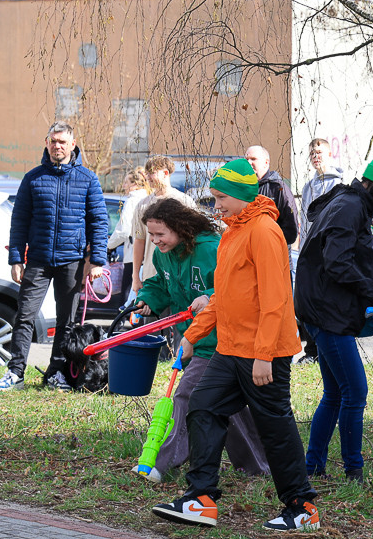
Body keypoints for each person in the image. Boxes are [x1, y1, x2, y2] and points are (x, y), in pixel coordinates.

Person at [152, 159, 319, 532]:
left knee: (275, 428)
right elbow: (223, 297)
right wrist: (192, 337)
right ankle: (200, 499)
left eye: (221, 198)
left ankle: (302, 507)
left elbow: (276, 300)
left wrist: (264, 356)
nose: (216, 206)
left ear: (243, 195)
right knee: (202, 407)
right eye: (214, 198)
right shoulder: (233, 232)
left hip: (263, 352)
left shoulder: (264, 231)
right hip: (230, 349)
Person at [132, 198, 269, 481]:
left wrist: (209, 296)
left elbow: (236, 283)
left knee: (187, 395)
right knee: (224, 404)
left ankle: (162, 463)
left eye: (160, 234)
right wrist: (148, 298)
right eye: (151, 235)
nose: (155, 241)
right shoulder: (163, 255)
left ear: (180, 227)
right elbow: (162, 284)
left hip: (220, 339)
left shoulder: (211, 249)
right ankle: (258, 466)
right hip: (192, 338)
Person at [294, 142, 373, 482]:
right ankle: (353, 471)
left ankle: (314, 466)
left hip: (322, 308)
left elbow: (342, 261)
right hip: (326, 314)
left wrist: (369, 299)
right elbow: (337, 262)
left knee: (335, 393)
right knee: (355, 392)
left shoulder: (350, 202)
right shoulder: (350, 207)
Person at [0, 122, 109, 391]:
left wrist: (97, 260)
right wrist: (16, 259)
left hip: (72, 261)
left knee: (67, 322)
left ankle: (57, 374)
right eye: (53, 141)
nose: (57, 146)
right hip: (38, 260)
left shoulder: (88, 178)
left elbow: (99, 221)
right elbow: (19, 221)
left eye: (62, 142)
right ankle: (15, 373)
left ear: (72, 144)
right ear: (46, 143)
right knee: (24, 316)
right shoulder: (33, 178)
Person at [297, 138, 343, 364]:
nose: (316, 157)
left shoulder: (338, 185)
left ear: (329, 154)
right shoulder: (308, 187)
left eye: (319, 152)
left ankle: (327, 349)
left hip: (327, 251)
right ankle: (312, 350)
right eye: (312, 153)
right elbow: (304, 221)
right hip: (310, 252)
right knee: (308, 299)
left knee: (327, 300)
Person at [130, 156, 196, 298]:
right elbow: (139, 241)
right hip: (151, 276)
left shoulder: (184, 202)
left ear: (165, 173)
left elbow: (193, 240)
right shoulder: (142, 205)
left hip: (180, 277)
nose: (147, 177)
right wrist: (135, 276)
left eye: (151, 173)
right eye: (146, 173)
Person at [107, 167, 150, 303]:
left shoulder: (132, 200)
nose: (123, 186)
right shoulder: (148, 198)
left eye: (126, 182)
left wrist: (108, 245)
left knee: (127, 293)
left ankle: (124, 316)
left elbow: (124, 230)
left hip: (133, 253)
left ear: (135, 184)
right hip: (146, 254)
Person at [245, 145, 298, 246]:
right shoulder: (244, 188)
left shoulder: (279, 188)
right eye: (246, 159)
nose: (249, 162)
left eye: (253, 159)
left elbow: (291, 230)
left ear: (266, 162)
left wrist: (269, 242)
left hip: (274, 250)